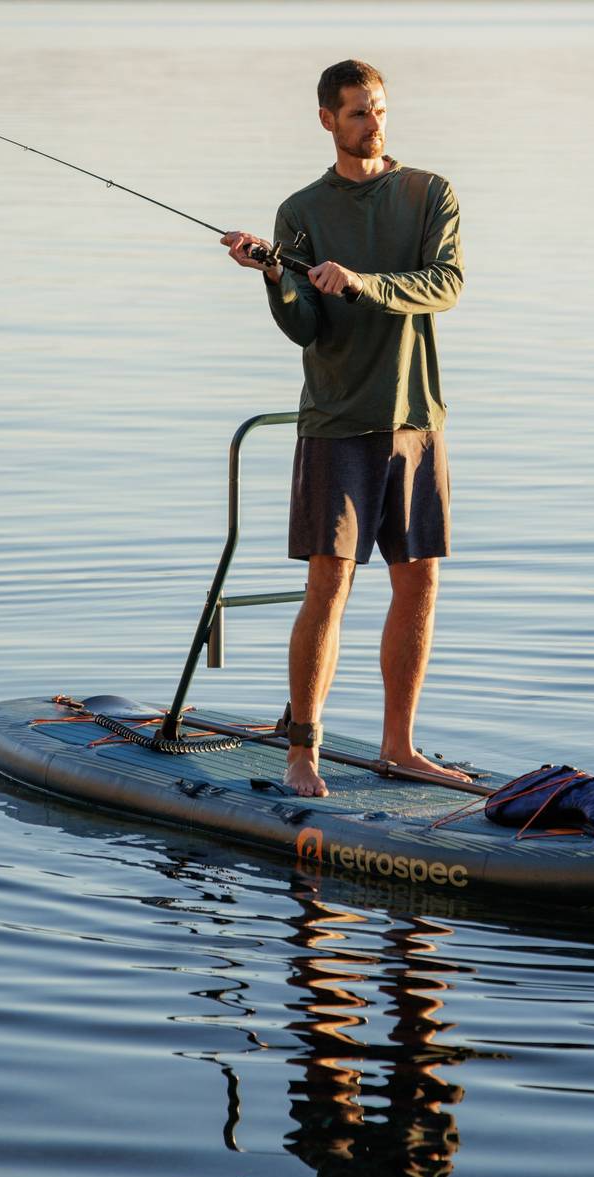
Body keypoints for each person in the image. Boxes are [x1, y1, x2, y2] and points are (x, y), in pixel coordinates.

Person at [221, 59, 469, 798]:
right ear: (327, 119)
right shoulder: (300, 210)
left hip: (416, 421)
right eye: (359, 113)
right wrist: (275, 277)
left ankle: (399, 746)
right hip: (336, 421)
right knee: (328, 587)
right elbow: (304, 327)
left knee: (418, 582)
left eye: (381, 110)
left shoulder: (430, 194)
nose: (374, 124)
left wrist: (364, 280)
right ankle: (303, 752)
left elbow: (446, 285)